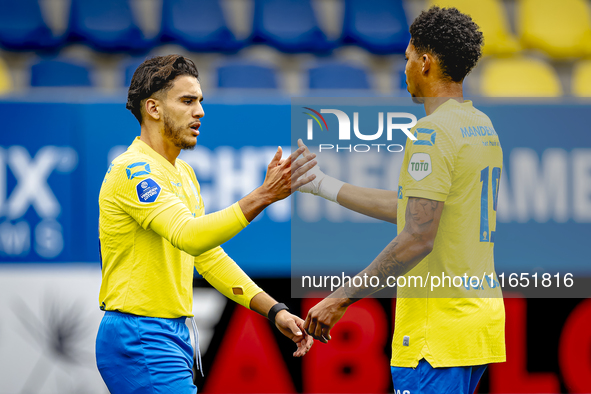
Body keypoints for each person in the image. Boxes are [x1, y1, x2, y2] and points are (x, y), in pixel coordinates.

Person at [299, 7, 505, 394]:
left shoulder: (430, 133)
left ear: (425, 63)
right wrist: (321, 184)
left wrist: (340, 299)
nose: (404, 67)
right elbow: (417, 211)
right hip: (476, 325)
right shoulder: (481, 126)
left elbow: (417, 237)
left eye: (407, 58)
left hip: (435, 334)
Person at [96, 54, 315, 394]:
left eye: (200, 101)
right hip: (140, 336)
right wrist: (264, 195)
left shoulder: (183, 173)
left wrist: (275, 311)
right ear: (153, 108)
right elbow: (190, 237)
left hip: (169, 335)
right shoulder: (134, 171)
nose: (200, 111)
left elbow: (208, 257)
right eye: (187, 101)